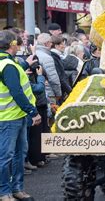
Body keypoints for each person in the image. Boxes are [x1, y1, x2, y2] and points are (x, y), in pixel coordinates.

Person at [0, 30, 40, 201]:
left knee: (17, 155)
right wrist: (33, 111)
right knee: (8, 156)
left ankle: (16, 189)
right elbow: (16, 91)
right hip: (11, 118)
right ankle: (5, 192)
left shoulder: (8, 63)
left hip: (14, 116)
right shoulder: (7, 65)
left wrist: (25, 65)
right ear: (12, 45)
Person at [35, 34, 62, 105]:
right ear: (46, 43)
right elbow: (53, 78)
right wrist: (58, 93)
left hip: (37, 91)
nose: (51, 44)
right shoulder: (47, 58)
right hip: (48, 92)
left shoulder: (33, 54)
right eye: (50, 42)